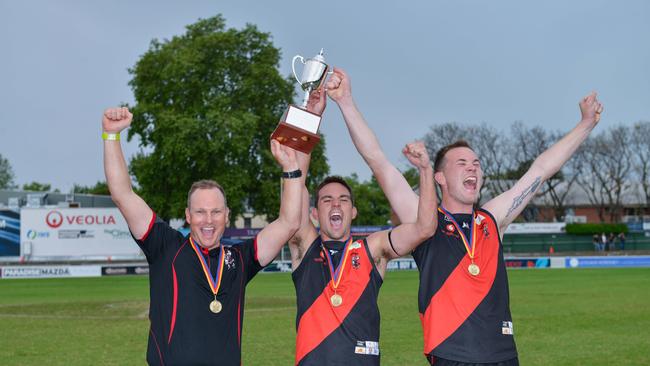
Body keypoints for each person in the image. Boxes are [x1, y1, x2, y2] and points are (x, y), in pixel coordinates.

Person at [327, 68, 603, 365]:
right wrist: (346, 102)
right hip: (451, 356)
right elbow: (378, 162)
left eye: (476, 163)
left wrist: (585, 125)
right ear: (441, 177)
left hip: (504, 356)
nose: (473, 168)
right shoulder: (425, 220)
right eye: (462, 163)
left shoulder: (491, 220)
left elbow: (540, 171)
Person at [102, 107, 304, 365]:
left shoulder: (240, 259)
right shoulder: (165, 246)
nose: (208, 220)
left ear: (227, 215)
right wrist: (111, 136)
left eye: (216, 212)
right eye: (200, 212)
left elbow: (289, 223)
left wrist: (291, 169)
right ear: (188, 215)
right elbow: (122, 194)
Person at [288, 87, 438, 366]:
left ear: (353, 211)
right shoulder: (303, 245)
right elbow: (295, 179)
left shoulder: (373, 248)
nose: (335, 205)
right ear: (314, 213)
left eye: (343, 200)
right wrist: (311, 117)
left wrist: (426, 172)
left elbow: (425, 228)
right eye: (327, 200)